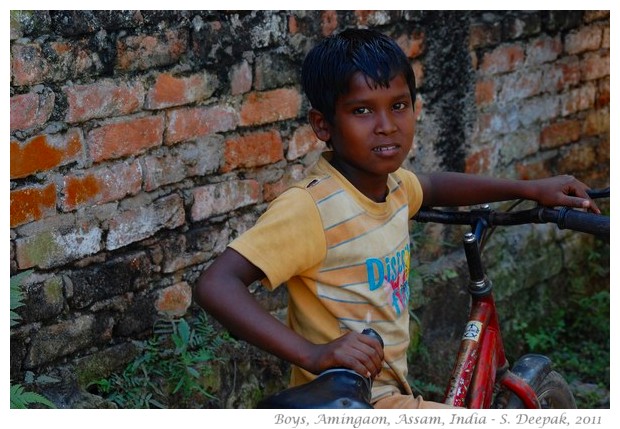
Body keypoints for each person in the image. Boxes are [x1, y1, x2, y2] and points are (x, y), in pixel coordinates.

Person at [194, 28, 600, 409]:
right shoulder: (313, 207)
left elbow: (434, 185)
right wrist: (313, 354)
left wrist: (528, 188)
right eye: (362, 110)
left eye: (399, 106)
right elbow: (216, 283)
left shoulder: (393, 186)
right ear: (323, 125)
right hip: (361, 399)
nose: (387, 126)